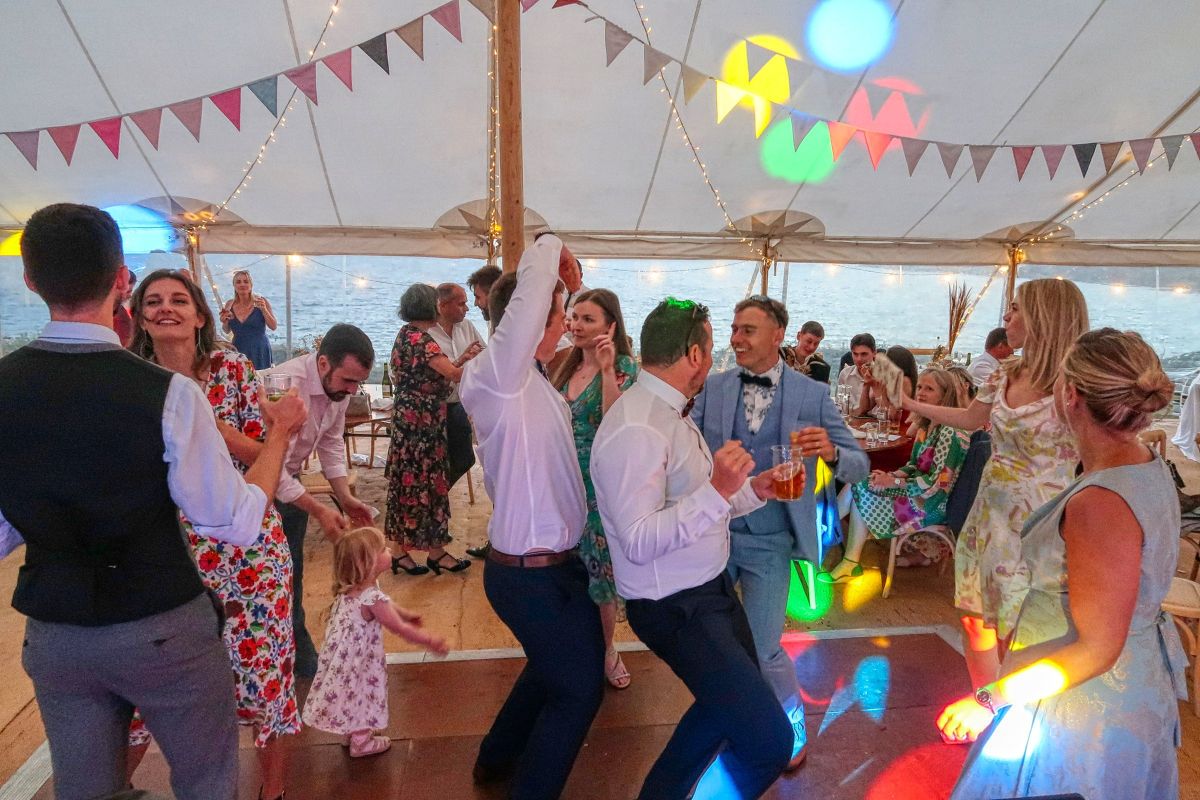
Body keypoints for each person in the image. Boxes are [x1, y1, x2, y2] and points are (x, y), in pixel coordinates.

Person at [0, 203, 305, 800]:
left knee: (85, 789)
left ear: (31, 280)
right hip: (159, 621)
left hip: (56, 629)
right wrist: (280, 436)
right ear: (121, 282)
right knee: (206, 781)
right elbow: (237, 521)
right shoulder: (167, 393)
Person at [944, 329, 1186, 800]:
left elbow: (1096, 649)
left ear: (1070, 394)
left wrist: (988, 698)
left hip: (1082, 700)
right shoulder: (1146, 465)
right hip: (1131, 677)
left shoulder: (1101, 502)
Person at [592, 297, 795, 800]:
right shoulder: (637, 427)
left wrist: (753, 490)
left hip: (709, 591)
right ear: (695, 355)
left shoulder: (668, 412)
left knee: (719, 713)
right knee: (769, 742)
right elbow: (638, 540)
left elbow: (701, 504)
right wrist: (719, 489)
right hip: (676, 607)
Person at [125, 269, 302, 799]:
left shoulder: (232, 368)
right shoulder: (131, 378)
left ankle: (273, 791)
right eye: (153, 301)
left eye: (179, 300)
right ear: (140, 318)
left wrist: (211, 427)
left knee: (265, 667)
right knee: (146, 681)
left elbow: (265, 455)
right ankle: (111, 786)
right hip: (167, 547)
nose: (166, 308)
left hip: (247, 547)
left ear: (201, 315)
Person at [689, 295, 868, 772]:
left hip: (770, 541)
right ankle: (727, 724)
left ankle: (792, 728)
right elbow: (685, 448)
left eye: (747, 330)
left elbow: (859, 465)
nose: (735, 338)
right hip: (714, 534)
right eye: (733, 329)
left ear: (777, 335)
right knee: (711, 646)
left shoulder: (812, 395)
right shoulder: (714, 387)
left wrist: (831, 452)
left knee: (765, 648)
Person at [459, 233, 605, 799]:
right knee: (579, 691)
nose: (567, 322)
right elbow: (531, 296)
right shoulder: (497, 376)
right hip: (528, 574)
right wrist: (552, 249)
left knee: (552, 671)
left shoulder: (535, 379)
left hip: (557, 566)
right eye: (560, 312)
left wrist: (570, 289)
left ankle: (495, 758)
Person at [901, 278, 1089, 691]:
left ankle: (1016, 711)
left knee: (1022, 629)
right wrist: (912, 404)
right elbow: (971, 419)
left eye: (1016, 308)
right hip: (988, 514)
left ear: (1044, 317)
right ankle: (985, 702)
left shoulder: (1076, 384)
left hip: (1042, 521)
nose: (1006, 316)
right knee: (975, 619)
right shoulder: (1005, 373)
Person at [262, 324, 378, 678]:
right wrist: (318, 509)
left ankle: (296, 652)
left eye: (359, 383)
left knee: (292, 573)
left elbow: (330, 443)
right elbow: (269, 467)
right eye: (348, 380)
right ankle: (274, 660)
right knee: (269, 579)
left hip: (288, 480)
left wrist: (345, 498)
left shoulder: (336, 392)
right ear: (323, 363)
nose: (353, 390)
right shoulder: (287, 386)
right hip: (255, 485)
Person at [550, 288, 639, 689]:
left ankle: (607, 650)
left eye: (588, 319)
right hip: (560, 477)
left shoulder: (624, 368)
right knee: (566, 565)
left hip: (597, 480)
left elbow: (617, 424)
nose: (576, 325)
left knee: (599, 567)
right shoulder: (563, 364)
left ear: (610, 325)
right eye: (573, 317)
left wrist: (605, 370)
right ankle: (574, 646)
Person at [303, 527, 449, 757]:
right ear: (366, 563)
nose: (389, 550)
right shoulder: (371, 598)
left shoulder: (351, 590)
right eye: (382, 550)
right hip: (360, 662)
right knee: (362, 692)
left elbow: (388, 607)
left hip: (344, 660)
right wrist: (429, 640)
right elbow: (397, 628)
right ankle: (361, 742)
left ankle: (352, 731)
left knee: (350, 692)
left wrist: (405, 614)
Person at [830, 368, 971, 579]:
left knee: (864, 489)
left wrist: (893, 482)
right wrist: (891, 476)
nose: (921, 393)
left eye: (929, 389)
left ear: (945, 395)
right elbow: (913, 465)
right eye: (920, 387)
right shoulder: (927, 425)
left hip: (930, 505)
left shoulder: (950, 432)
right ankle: (827, 535)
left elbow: (935, 485)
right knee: (863, 482)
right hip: (917, 492)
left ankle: (829, 540)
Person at [384, 284, 475, 576]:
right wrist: (482, 365)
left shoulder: (406, 334)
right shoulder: (422, 340)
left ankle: (408, 551)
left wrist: (462, 360)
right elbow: (454, 375)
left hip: (411, 421)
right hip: (421, 425)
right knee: (425, 485)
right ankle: (428, 552)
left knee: (411, 485)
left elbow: (434, 374)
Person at [426, 282, 485, 489]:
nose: (467, 308)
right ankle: (436, 495)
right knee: (436, 462)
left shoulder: (466, 326)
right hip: (434, 406)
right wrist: (462, 359)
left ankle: (438, 494)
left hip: (461, 404)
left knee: (465, 458)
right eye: (461, 304)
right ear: (442, 305)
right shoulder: (427, 332)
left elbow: (485, 355)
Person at [219, 269, 277, 370]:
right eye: (238, 282)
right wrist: (224, 321)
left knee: (260, 377)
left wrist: (264, 310)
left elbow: (273, 326)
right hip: (238, 349)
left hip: (259, 350)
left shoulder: (261, 301)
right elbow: (226, 330)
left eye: (246, 281)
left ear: (251, 285)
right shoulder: (229, 304)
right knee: (240, 378)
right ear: (234, 286)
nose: (242, 284)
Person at [857, 344, 918, 418]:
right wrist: (866, 384)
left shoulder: (905, 381)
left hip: (901, 424)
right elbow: (863, 409)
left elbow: (889, 415)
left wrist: (876, 389)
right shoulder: (888, 380)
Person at [837, 333, 876, 409]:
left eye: (864, 354)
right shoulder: (845, 374)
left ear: (874, 353)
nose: (859, 359)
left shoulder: (883, 377)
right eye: (855, 354)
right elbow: (840, 405)